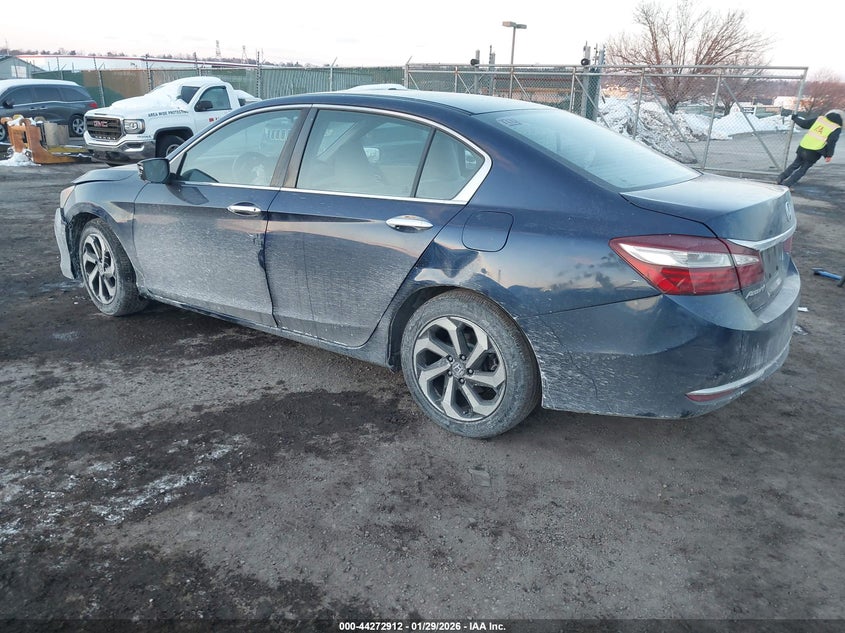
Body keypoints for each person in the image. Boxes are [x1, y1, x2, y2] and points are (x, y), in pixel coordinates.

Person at [777, 110, 843, 187]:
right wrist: (829, 155)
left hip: (803, 146)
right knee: (803, 169)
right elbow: (832, 141)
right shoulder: (836, 128)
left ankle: (781, 177)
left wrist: (795, 118)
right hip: (814, 151)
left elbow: (804, 124)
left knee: (795, 164)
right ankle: (787, 184)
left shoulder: (820, 119)